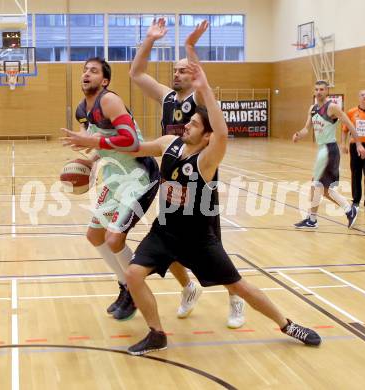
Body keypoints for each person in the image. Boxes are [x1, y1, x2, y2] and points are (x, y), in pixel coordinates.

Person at [121, 62, 322, 355]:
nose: (186, 125)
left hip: (198, 241)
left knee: (239, 286)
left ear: (206, 136)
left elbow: (223, 133)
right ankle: (157, 334)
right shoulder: (170, 144)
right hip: (163, 232)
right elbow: (136, 149)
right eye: (187, 122)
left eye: (193, 124)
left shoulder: (206, 160)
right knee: (133, 275)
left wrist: (204, 89)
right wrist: (93, 143)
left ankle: (287, 324)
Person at [129, 18, 245, 328]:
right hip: (173, 176)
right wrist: (150, 39)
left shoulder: (199, 101)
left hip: (200, 179)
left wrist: (191, 52)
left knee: (212, 245)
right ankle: (189, 288)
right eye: (176, 70)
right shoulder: (168, 98)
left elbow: (202, 85)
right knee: (167, 238)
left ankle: (236, 298)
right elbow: (136, 73)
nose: (178, 73)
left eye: (184, 69)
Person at [62, 57, 160, 321]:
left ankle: (136, 293)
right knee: (95, 236)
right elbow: (100, 144)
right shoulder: (83, 110)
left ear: (104, 81)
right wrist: (89, 162)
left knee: (114, 239)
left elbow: (129, 139)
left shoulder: (110, 100)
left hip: (139, 175)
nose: (86, 74)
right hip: (115, 176)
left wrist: (91, 140)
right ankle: (125, 286)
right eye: (84, 70)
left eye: (93, 71)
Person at [293, 80, 365, 229]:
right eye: (316, 89)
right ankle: (312, 220)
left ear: (327, 91)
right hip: (321, 150)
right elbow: (307, 128)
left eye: (321, 89)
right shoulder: (312, 108)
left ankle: (348, 209)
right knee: (316, 186)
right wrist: (298, 135)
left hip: (330, 150)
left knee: (321, 188)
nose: (319, 92)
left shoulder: (332, 107)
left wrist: (358, 143)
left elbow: (350, 125)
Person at [341, 90, 365, 212]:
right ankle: (356, 201)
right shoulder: (352, 112)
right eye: (362, 95)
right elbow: (344, 130)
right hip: (355, 146)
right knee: (356, 173)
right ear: (359, 97)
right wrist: (343, 144)